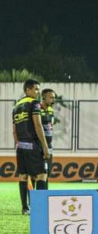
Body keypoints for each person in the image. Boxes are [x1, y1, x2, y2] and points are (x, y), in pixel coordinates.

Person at [12, 80, 50, 215]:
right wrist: (45, 147)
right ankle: (40, 209)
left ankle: (25, 208)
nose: (38, 92)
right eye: (35, 89)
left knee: (23, 175)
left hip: (21, 146)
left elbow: (14, 131)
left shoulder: (16, 106)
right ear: (27, 90)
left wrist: (18, 145)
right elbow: (38, 125)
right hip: (33, 144)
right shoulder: (34, 103)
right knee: (41, 175)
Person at [40, 88, 57, 190]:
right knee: (39, 173)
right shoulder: (37, 110)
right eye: (51, 97)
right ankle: (34, 196)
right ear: (44, 97)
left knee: (47, 172)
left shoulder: (51, 110)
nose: (53, 100)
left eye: (54, 98)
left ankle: (44, 195)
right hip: (39, 145)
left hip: (49, 145)